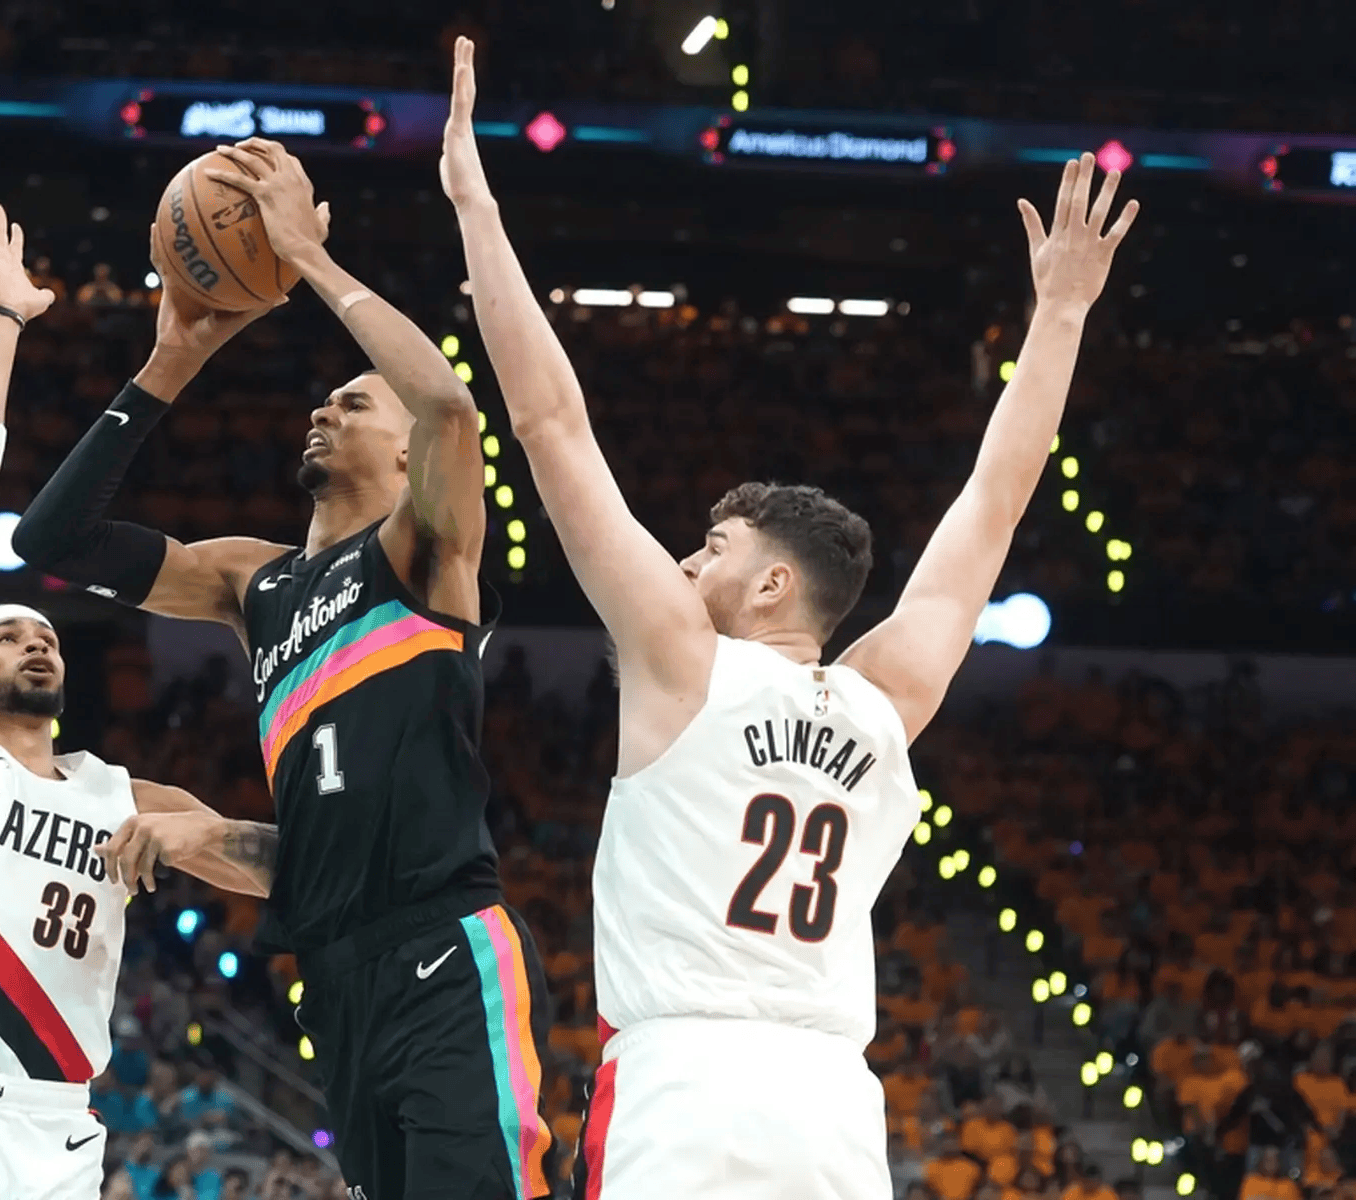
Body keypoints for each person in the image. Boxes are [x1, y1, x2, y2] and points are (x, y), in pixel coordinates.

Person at [440, 34, 1137, 1200]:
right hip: (828, 1107)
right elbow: (995, 500)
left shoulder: (679, 660)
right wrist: (1060, 312)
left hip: (682, 1085)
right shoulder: (883, 700)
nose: (680, 561)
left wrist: (474, 205)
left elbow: (550, 424)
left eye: (712, 548)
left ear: (770, 585)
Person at [13, 139, 555, 1200]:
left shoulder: (422, 552)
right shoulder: (249, 584)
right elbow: (52, 541)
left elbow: (449, 408)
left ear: (403, 454)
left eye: (354, 403)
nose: (323, 409)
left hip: (445, 948)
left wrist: (304, 255)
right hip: (336, 977)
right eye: (324, 401)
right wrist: (170, 361)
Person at [0, 199, 276, 1200]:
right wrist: (1, 319)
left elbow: (291, 871)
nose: (35, 639)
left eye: (46, 635)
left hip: (52, 1128)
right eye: (6, 634)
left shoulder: (123, 799)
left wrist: (203, 837)